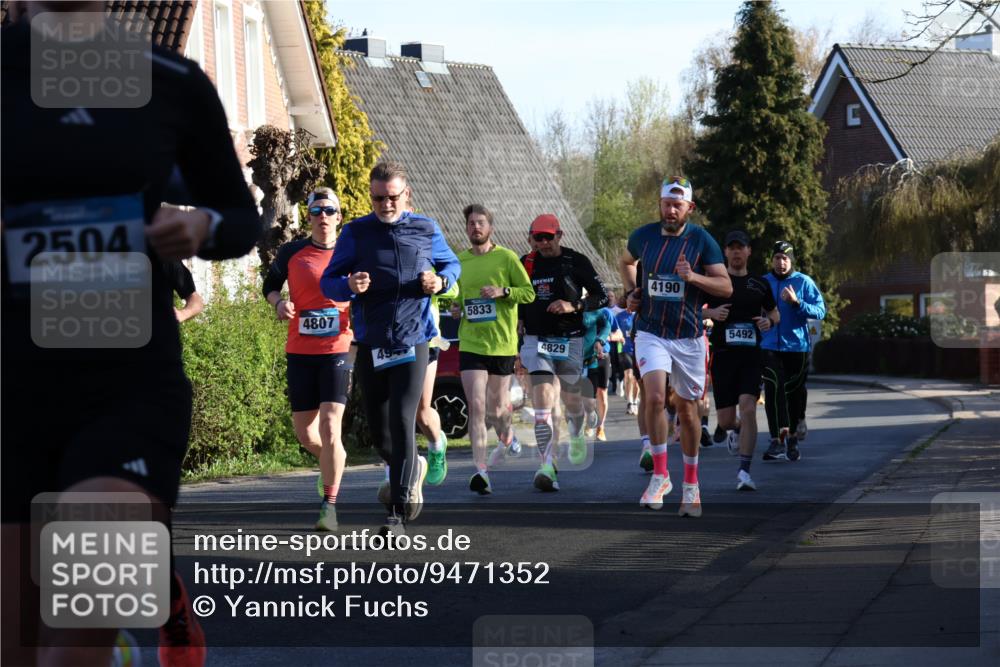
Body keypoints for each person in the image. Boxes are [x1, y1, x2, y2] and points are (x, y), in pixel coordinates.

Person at [1, 3, 261, 665]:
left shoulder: (168, 80)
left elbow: (240, 217)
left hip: (127, 383)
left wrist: (201, 225)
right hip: (11, 386)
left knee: (81, 606)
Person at [321, 161, 460, 536]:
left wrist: (441, 281)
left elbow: (452, 265)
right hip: (372, 343)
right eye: (378, 198)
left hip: (413, 339)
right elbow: (328, 282)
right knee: (381, 434)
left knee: (402, 420)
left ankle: (396, 514)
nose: (385, 205)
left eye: (392, 197)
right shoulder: (356, 233)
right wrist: (350, 284)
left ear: (406, 195)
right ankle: (408, 469)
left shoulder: (425, 228)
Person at [619, 177, 731, 516]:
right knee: (653, 396)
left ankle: (692, 484)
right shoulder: (643, 236)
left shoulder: (701, 241)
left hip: (689, 336)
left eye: (677, 205)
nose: (670, 210)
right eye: (666, 204)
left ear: (689, 209)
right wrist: (631, 292)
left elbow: (725, 288)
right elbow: (626, 261)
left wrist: (693, 278)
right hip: (652, 330)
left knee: (687, 410)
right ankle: (660, 474)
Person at [263, 188, 352, 532]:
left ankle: (328, 505)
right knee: (305, 435)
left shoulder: (351, 252)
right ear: (309, 216)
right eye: (317, 211)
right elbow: (269, 286)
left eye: (330, 210)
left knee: (331, 426)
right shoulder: (292, 252)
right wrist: (278, 302)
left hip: (337, 349)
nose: (323, 216)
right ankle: (331, 465)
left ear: (338, 216)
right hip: (300, 351)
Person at [519, 214, 608, 491]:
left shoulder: (575, 261)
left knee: (571, 400)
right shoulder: (525, 263)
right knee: (544, 400)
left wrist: (575, 306)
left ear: (560, 235)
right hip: (536, 339)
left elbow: (603, 296)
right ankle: (547, 464)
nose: (543, 243)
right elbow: (516, 296)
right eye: (538, 238)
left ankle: (577, 428)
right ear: (530, 237)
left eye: (549, 237)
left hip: (569, 339)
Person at [450, 204, 535, 494]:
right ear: (467, 228)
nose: (476, 227)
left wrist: (504, 291)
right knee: (476, 405)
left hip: (501, 344)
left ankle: (508, 435)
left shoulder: (507, 258)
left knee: (497, 409)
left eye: (481, 223)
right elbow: (457, 299)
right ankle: (481, 471)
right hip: (471, 343)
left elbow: (529, 293)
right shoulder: (459, 261)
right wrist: (455, 309)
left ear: (490, 228)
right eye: (472, 223)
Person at [702, 231, 779, 491]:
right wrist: (712, 312)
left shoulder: (759, 284)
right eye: (731, 248)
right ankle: (735, 430)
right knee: (726, 421)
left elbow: (774, 313)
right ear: (725, 252)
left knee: (748, 408)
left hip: (750, 356)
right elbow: (694, 309)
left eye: (741, 247)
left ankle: (744, 471)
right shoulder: (714, 282)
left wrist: (769, 321)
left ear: (748, 252)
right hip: (723, 357)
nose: (736, 252)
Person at [760, 241, 826, 463]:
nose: (781, 262)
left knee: (794, 393)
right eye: (777, 258)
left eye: (785, 258)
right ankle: (777, 439)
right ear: (772, 260)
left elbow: (820, 311)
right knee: (772, 391)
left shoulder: (803, 282)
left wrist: (798, 303)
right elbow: (752, 309)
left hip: (797, 346)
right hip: (769, 346)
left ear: (791, 260)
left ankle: (794, 435)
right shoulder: (764, 283)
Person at [582, 305, 617, 442]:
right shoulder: (580, 310)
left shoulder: (606, 313)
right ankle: (590, 419)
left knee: (602, 393)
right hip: (585, 357)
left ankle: (600, 427)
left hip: (603, 356)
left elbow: (617, 332)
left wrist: (602, 339)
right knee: (587, 395)